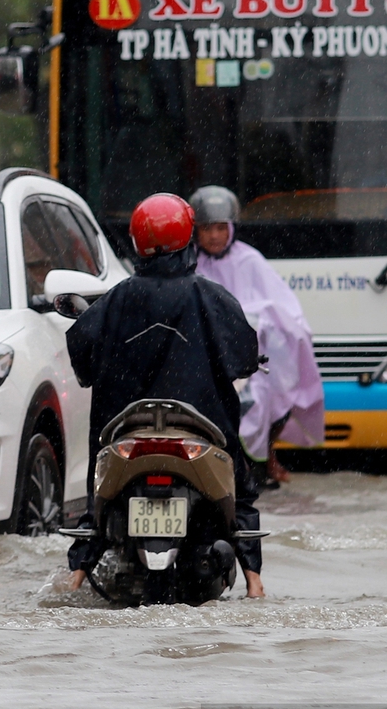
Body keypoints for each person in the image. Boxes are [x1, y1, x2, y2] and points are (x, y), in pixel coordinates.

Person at [63, 193, 267, 597]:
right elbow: (244, 357)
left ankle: (74, 578)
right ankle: (255, 581)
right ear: (188, 236)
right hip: (202, 434)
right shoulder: (211, 296)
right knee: (240, 488)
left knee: (95, 503)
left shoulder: (117, 299)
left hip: (125, 436)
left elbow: (82, 358)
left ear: (137, 241)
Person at [188, 185, 325, 486]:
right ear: (195, 230)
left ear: (232, 228)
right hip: (208, 358)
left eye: (221, 228)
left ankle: (265, 459)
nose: (214, 236)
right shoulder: (188, 264)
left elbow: (284, 309)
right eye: (207, 228)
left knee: (269, 394)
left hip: (254, 357)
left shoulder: (250, 260)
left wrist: (256, 323)